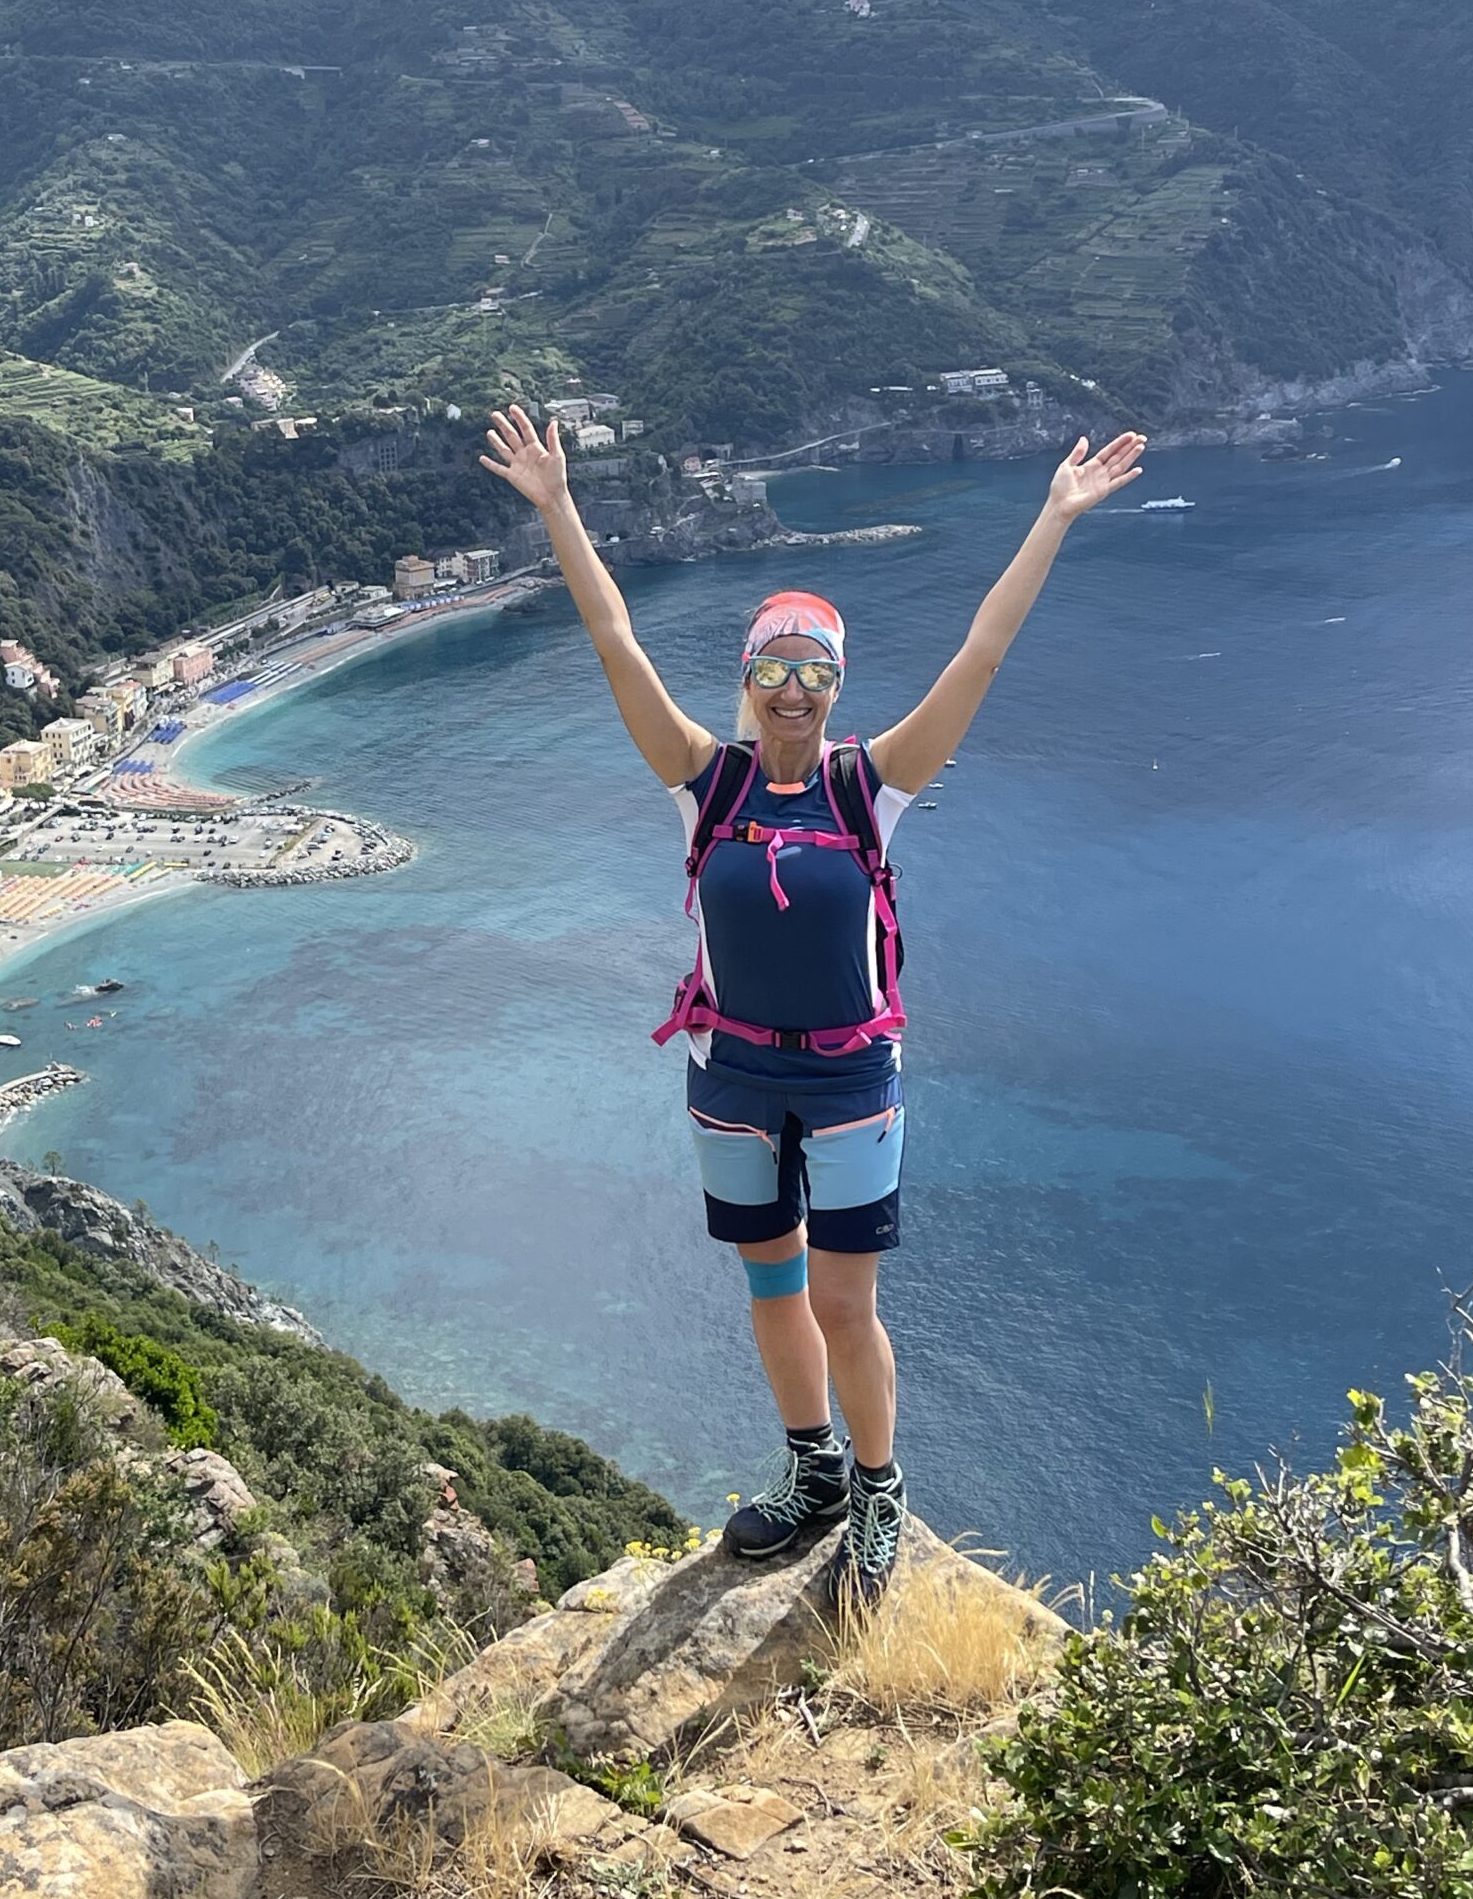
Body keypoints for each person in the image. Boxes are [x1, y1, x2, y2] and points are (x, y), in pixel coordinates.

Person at [480, 403, 1146, 1613]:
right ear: (748, 679)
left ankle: (882, 1491)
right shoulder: (705, 781)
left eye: (815, 669)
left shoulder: (871, 788)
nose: (794, 688)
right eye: (774, 668)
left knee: (847, 1301)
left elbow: (980, 656)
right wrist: (560, 509)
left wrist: (1053, 517)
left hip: (848, 1083)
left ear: (838, 683)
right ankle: (815, 1470)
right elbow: (615, 639)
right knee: (771, 1286)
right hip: (730, 1079)